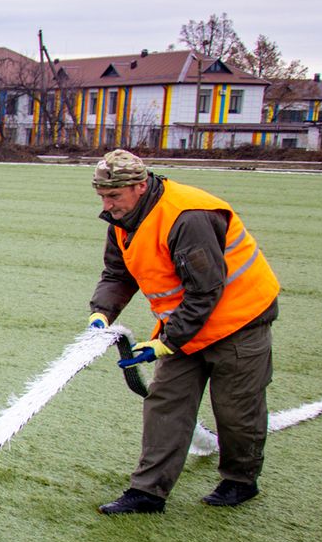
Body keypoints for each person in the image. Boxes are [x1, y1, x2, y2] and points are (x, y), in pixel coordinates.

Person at [85, 149, 280, 514]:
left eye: (113, 196)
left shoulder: (186, 217)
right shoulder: (123, 221)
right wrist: (102, 313)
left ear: (140, 186)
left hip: (238, 322)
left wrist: (166, 342)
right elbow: (117, 274)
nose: (107, 205)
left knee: (236, 408)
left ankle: (240, 480)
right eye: (102, 196)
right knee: (166, 402)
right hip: (184, 327)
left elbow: (205, 290)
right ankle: (148, 491)